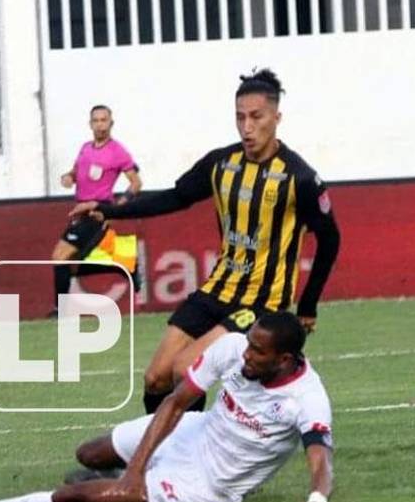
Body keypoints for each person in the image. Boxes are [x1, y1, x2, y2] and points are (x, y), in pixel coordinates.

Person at [68, 68, 341, 414]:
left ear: (276, 117)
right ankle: (164, 444)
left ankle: (187, 446)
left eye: (256, 117)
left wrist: (308, 304)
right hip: (216, 290)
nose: (247, 127)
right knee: (156, 378)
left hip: (262, 302)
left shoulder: (299, 178)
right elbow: (175, 197)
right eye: (240, 117)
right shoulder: (221, 163)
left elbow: (330, 239)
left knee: (185, 371)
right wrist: (108, 210)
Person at [0, 312, 334, 502]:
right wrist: (135, 469)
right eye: (249, 343)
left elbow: (320, 460)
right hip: (195, 432)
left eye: (258, 352)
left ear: (284, 359)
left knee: (78, 495)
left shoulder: (306, 399)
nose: (247, 355)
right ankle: (133, 472)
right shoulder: (233, 348)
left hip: (208, 483)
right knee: (88, 454)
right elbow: (175, 402)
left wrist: (318, 495)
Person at [51, 105, 143, 307]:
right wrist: (69, 177)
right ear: (90, 124)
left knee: (60, 257)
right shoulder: (85, 148)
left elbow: (136, 183)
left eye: (104, 120)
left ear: (111, 123)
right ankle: (125, 265)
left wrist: (116, 208)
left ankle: (59, 309)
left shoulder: (118, 151)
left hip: (97, 211)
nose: (100, 125)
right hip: (80, 211)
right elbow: (76, 172)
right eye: (96, 121)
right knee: (71, 264)